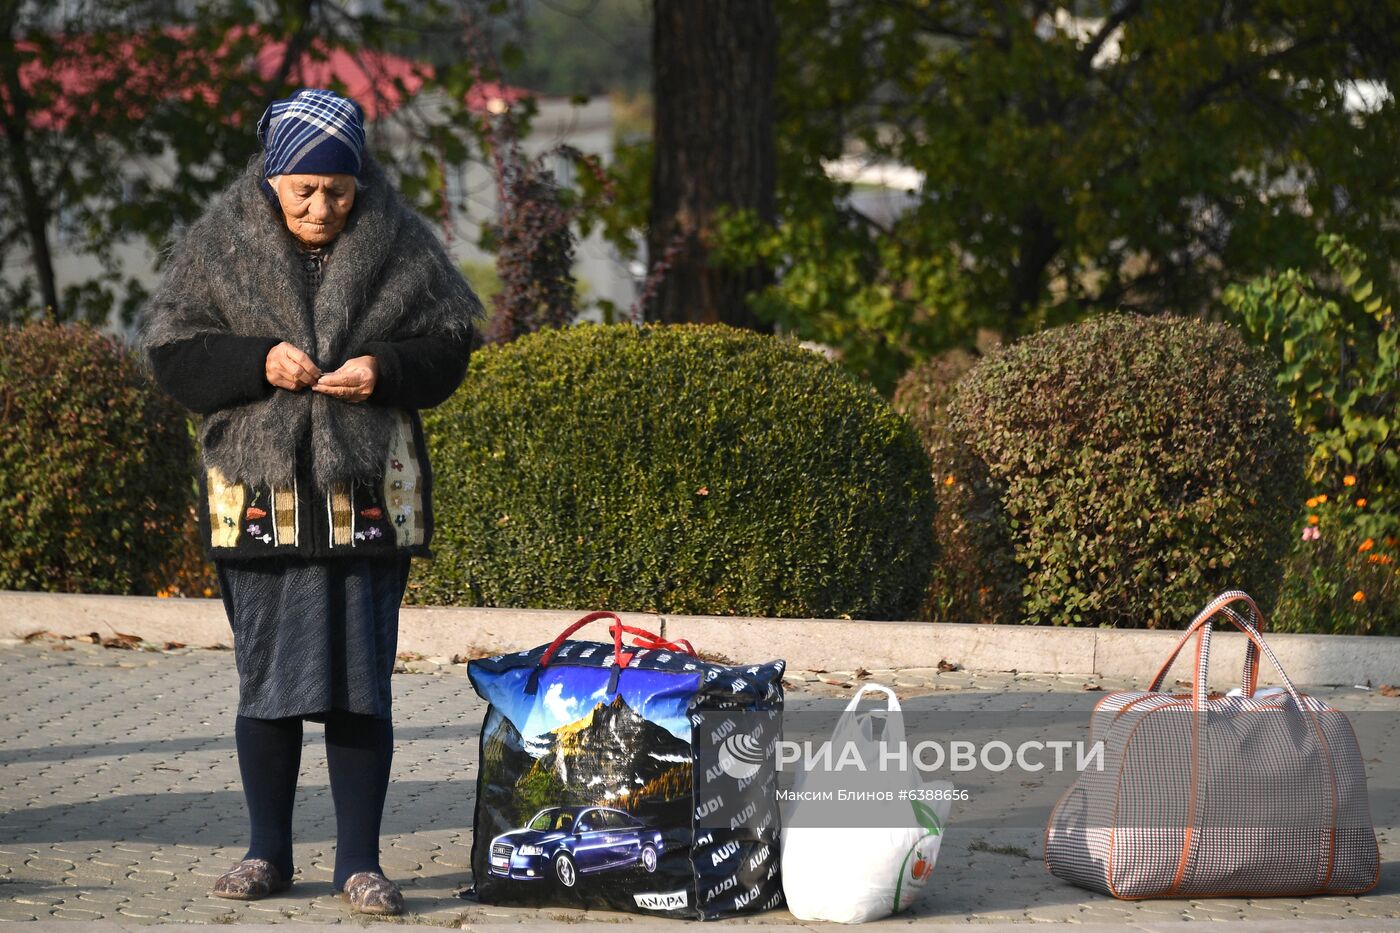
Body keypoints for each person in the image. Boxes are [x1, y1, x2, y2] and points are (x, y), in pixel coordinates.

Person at [142, 88, 482, 916]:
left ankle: (359, 862)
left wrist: (386, 370)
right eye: (303, 189)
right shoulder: (218, 245)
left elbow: (448, 347)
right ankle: (267, 852)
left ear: (360, 179)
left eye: (338, 189)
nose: (322, 205)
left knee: (360, 683)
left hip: (367, 497)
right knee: (268, 680)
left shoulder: (402, 241)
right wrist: (258, 361)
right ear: (271, 177)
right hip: (260, 499)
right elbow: (175, 356)